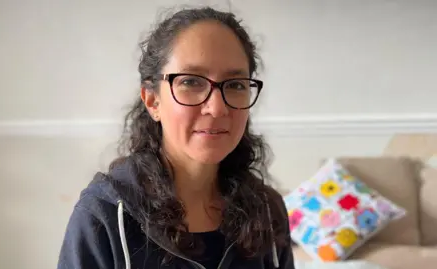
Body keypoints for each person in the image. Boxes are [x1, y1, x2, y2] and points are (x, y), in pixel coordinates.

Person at [57, 6, 295, 269]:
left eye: (235, 84)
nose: (216, 108)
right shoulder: (105, 215)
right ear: (152, 100)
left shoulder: (266, 209)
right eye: (191, 82)